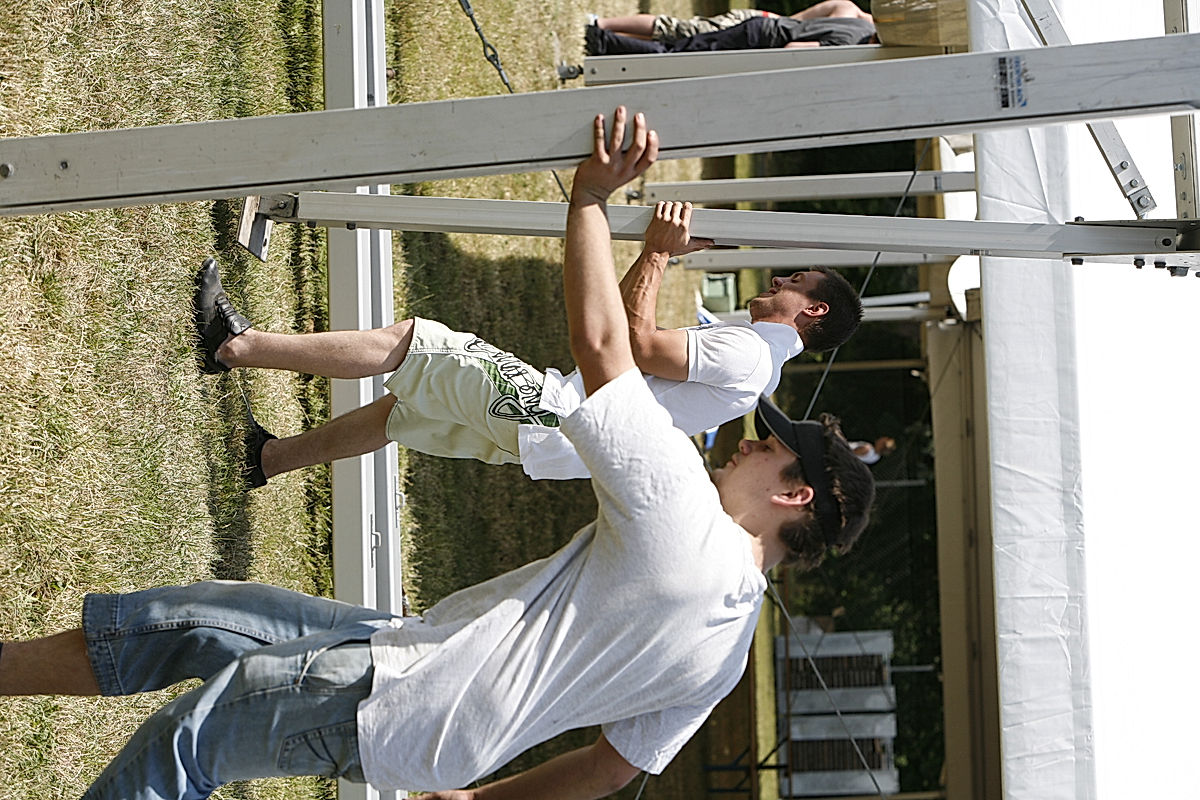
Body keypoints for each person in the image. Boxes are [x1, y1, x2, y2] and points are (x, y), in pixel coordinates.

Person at [0, 107, 876, 800]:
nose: (755, 442)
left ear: (796, 497)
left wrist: (589, 201)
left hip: (407, 690)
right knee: (201, 623)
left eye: (776, 447)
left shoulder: (689, 513)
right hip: (422, 670)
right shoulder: (730, 651)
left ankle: (238, 346)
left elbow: (610, 343)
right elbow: (614, 768)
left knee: (187, 745)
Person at [195, 204, 862, 486]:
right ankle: (269, 460)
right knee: (402, 415)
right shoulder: (754, 358)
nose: (778, 281)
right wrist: (648, 260)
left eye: (794, 283)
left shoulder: (750, 353)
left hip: (554, 416)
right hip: (558, 438)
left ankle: (236, 345)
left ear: (814, 310)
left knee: (416, 343)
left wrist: (658, 256)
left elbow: (629, 342)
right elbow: (617, 325)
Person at [586, 1, 877, 56]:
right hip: (758, 35)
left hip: (763, 24)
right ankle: (600, 36)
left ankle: (605, 40)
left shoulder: (849, 14)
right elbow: (793, 49)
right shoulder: (852, 41)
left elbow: (799, 20)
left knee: (677, 45)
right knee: (676, 47)